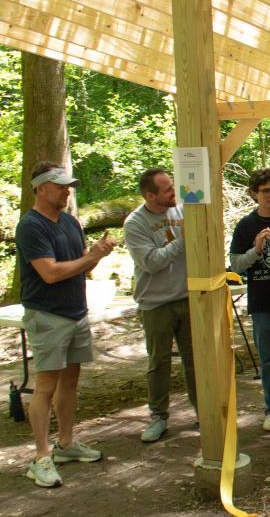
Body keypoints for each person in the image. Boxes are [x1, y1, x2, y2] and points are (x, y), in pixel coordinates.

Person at [15, 162, 116, 488]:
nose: (67, 191)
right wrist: (91, 257)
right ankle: (41, 457)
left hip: (76, 313)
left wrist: (98, 254)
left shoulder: (71, 222)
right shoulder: (31, 226)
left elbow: (83, 265)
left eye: (69, 186)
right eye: (60, 186)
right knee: (45, 386)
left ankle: (67, 443)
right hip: (47, 316)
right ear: (41, 188)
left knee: (70, 382)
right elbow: (50, 273)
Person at [124, 169, 197, 443]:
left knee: (195, 360)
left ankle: (203, 410)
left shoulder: (182, 210)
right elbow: (150, 262)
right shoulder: (135, 223)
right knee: (159, 362)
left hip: (187, 298)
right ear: (150, 195)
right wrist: (182, 241)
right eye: (167, 189)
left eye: (172, 186)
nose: (174, 192)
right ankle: (158, 417)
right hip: (155, 304)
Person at [229, 168, 270, 432]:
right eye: (266, 191)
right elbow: (235, 265)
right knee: (267, 359)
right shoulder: (246, 225)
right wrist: (256, 250)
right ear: (254, 194)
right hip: (261, 301)